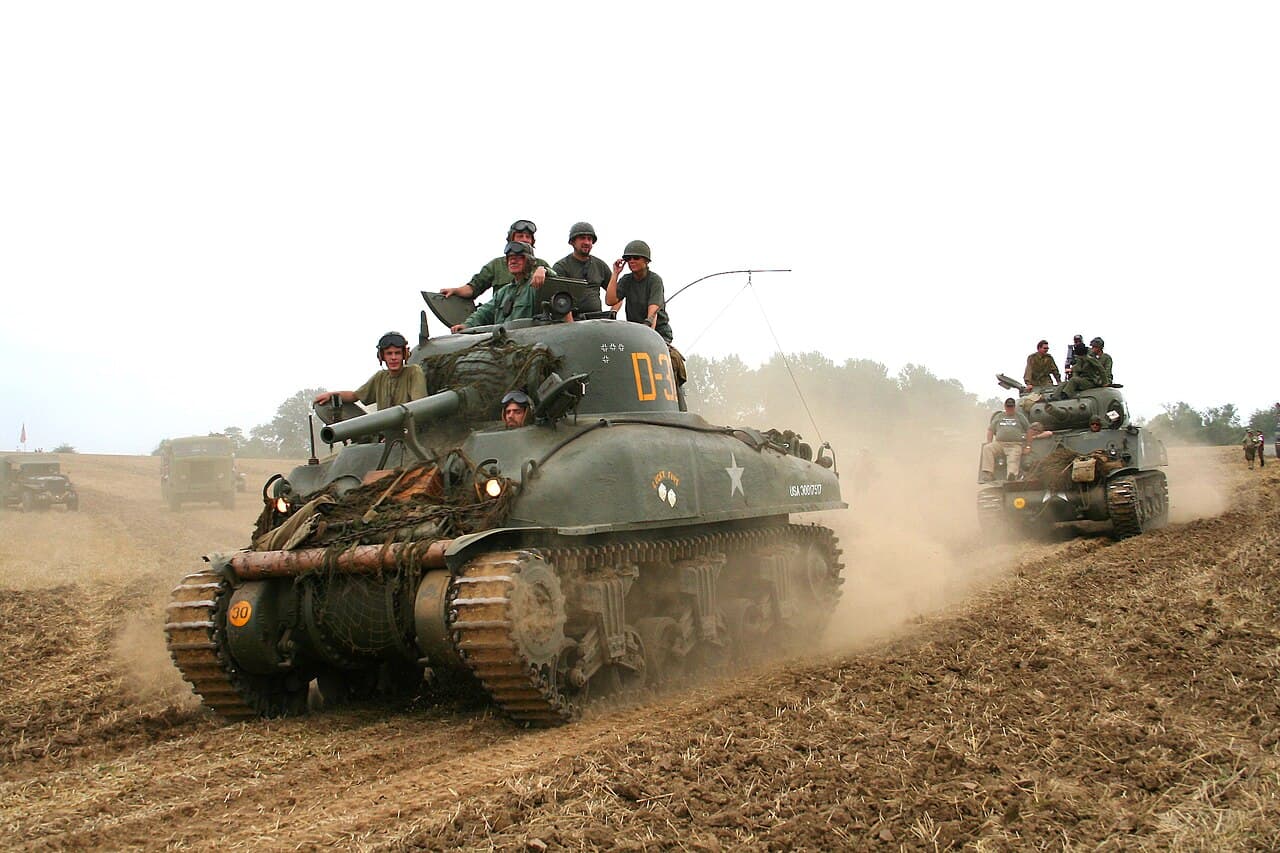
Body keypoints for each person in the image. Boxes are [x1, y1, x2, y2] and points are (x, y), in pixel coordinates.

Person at [606, 239, 686, 386]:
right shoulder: (627, 280)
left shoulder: (654, 280)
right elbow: (610, 300)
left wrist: (647, 336)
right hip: (635, 331)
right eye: (628, 258)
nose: (631, 261)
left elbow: (653, 313)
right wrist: (615, 274)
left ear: (646, 260)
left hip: (658, 331)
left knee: (662, 365)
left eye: (636, 258)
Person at [314, 331, 427, 411]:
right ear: (382, 356)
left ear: (404, 355)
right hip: (386, 434)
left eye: (397, 353)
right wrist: (331, 395)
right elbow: (355, 396)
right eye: (389, 353)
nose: (393, 358)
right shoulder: (380, 378)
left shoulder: (413, 372)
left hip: (411, 433)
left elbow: (418, 407)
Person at [440, 219, 550, 301]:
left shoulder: (541, 264)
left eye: (528, 237)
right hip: (502, 318)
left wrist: (543, 270)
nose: (524, 240)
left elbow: (558, 294)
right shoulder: (496, 265)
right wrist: (455, 291)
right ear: (511, 239)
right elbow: (474, 287)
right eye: (520, 236)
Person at [452, 242, 549, 331]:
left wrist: (544, 270)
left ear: (529, 261)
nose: (513, 261)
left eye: (519, 258)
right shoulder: (503, 292)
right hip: (504, 343)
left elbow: (557, 287)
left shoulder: (535, 286)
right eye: (510, 258)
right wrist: (467, 325)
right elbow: (484, 312)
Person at [552, 222, 611, 314]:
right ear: (572, 242)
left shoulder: (600, 265)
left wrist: (613, 312)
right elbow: (558, 298)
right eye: (582, 238)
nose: (587, 242)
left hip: (596, 320)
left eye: (589, 239)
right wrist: (570, 325)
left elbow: (617, 293)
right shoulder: (561, 266)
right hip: (571, 320)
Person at [980, 398, 1031, 482]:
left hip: (1014, 444)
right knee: (987, 448)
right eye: (1008, 406)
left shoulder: (1019, 416)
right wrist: (989, 442)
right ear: (1005, 406)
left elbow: (1029, 430)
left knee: (1013, 458)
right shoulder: (999, 416)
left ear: (1014, 407)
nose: (1009, 408)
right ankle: (988, 473)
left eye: (1011, 406)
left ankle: (1011, 476)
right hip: (999, 443)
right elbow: (990, 430)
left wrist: (1028, 446)